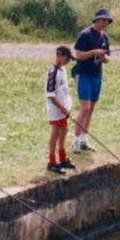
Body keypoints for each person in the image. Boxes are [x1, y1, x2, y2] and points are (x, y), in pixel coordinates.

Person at [71, 8, 114, 152]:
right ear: (97, 20)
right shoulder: (85, 35)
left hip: (97, 76)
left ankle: (84, 140)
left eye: (107, 21)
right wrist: (94, 52)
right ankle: (75, 141)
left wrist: (103, 57)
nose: (105, 24)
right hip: (84, 75)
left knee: (91, 110)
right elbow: (78, 55)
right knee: (85, 108)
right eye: (104, 21)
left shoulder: (105, 37)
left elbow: (107, 59)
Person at [45, 45, 76, 174]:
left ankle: (63, 158)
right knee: (56, 133)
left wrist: (67, 106)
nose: (68, 62)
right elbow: (50, 95)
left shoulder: (62, 69)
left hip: (64, 109)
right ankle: (52, 161)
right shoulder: (53, 72)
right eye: (67, 59)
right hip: (56, 110)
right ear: (60, 56)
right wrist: (62, 108)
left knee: (64, 131)